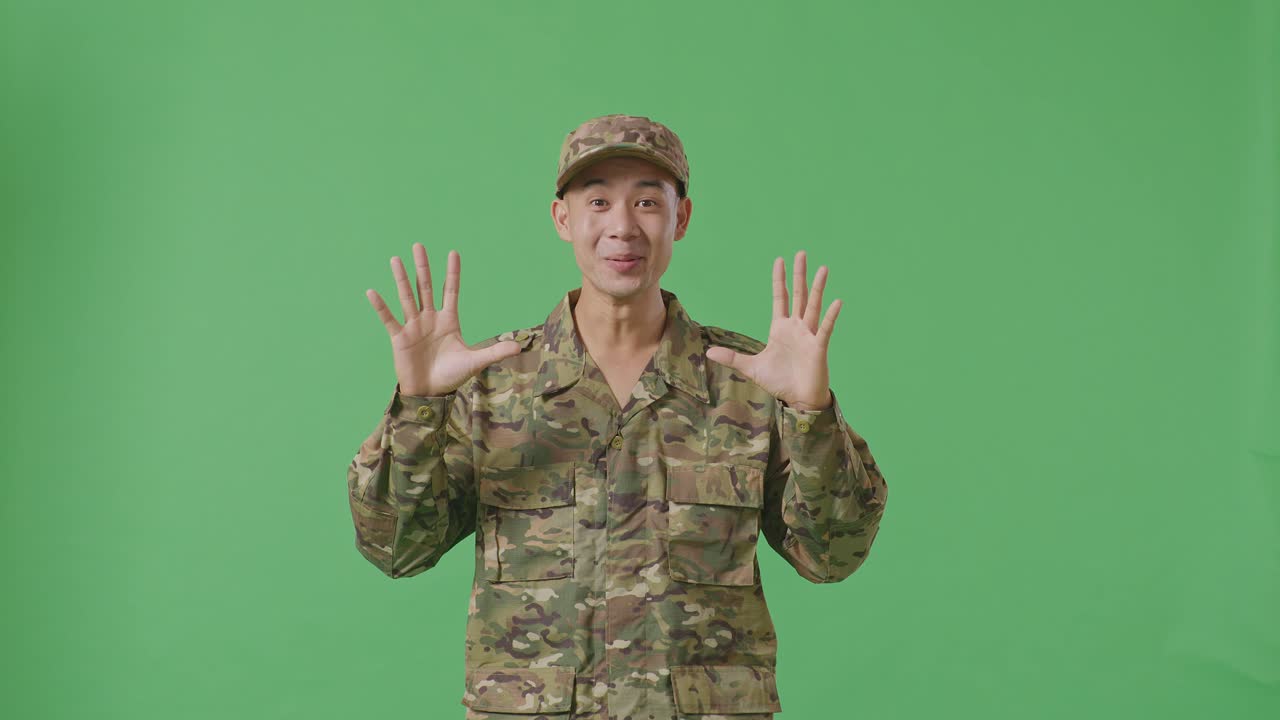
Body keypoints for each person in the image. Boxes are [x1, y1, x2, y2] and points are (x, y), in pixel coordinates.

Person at [347, 113, 889, 719]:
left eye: (648, 202)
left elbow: (832, 556)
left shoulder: (750, 383)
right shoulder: (490, 384)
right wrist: (418, 407)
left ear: (681, 218)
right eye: (598, 201)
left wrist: (811, 413)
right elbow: (396, 548)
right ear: (563, 219)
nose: (622, 227)